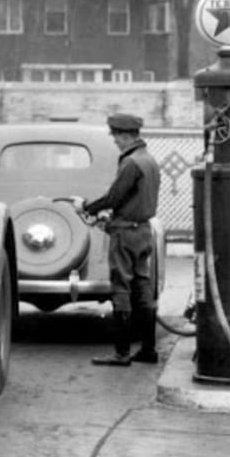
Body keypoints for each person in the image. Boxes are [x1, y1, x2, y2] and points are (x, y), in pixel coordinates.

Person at [73, 113, 161, 366]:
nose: (115, 143)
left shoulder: (131, 163)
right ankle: (148, 349)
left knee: (121, 287)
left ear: (126, 136)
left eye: (116, 138)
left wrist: (86, 207)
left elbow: (114, 197)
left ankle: (121, 353)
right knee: (143, 287)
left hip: (125, 234)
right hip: (143, 230)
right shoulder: (149, 160)